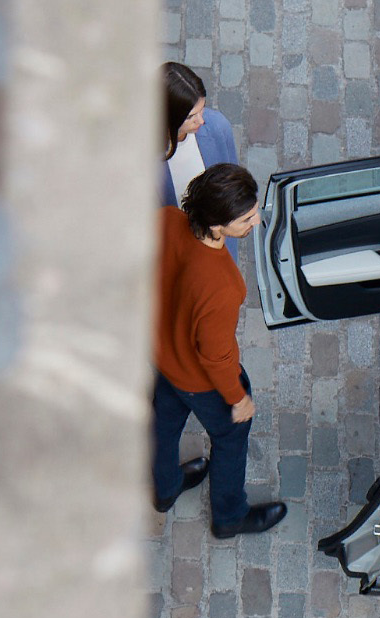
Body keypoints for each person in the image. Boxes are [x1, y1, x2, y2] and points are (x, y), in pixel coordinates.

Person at [150, 164, 286, 538]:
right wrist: (238, 399)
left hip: (163, 356)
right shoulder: (223, 285)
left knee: (163, 424)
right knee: (230, 436)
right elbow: (216, 356)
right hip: (197, 378)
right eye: (245, 218)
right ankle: (229, 516)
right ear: (215, 226)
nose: (256, 222)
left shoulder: (165, 220)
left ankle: (165, 490)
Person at [161, 63, 242, 259]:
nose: (201, 120)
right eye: (191, 117)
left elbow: (234, 181)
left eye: (202, 110)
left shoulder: (217, 127)